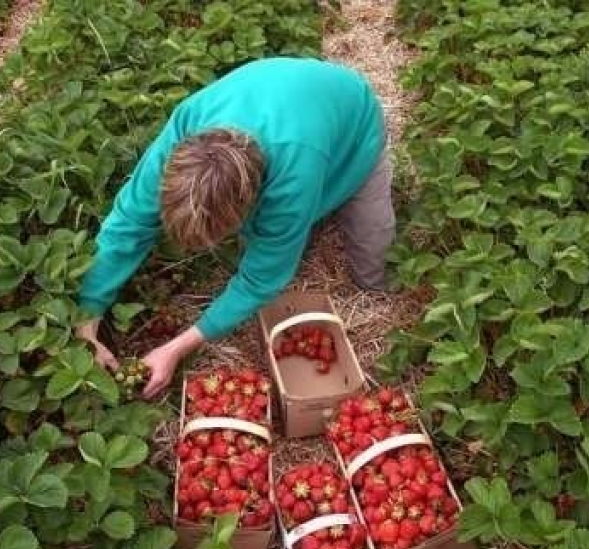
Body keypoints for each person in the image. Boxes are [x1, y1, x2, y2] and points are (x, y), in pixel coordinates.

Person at [75, 56, 395, 399]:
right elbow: (128, 223)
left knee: (371, 249)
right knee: (290, 230)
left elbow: (262, 279)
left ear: (251, 201)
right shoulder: (186, 132)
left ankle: (375, 279)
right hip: (288, 104)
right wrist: (87, 319)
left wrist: (176, 349)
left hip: (354, 124)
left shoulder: (294, 170)